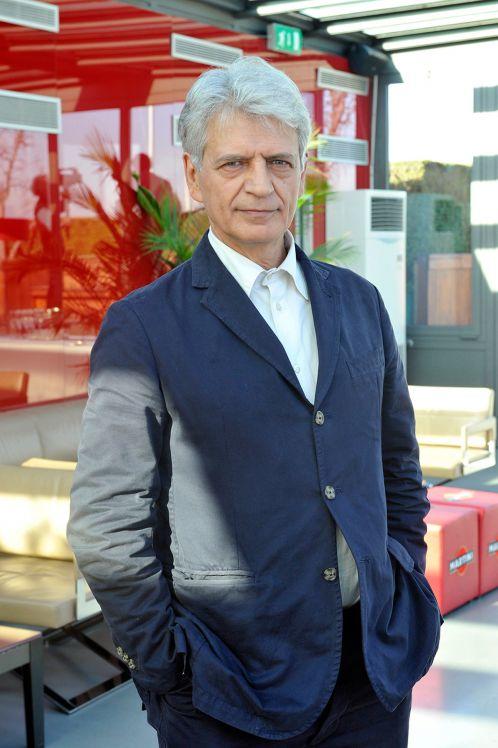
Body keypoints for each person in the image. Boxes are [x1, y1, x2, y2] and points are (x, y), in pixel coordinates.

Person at [67, 56, 443, 747]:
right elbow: (108, 521)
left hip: (372, 674)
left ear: (303, 169)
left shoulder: (359, 303)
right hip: (227, 687)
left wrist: (404, 569)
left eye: (279, 161)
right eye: (234, 163)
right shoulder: (145, 326)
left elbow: (397, 464)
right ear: (194, 176)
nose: (260, 185)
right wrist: (168, 668)